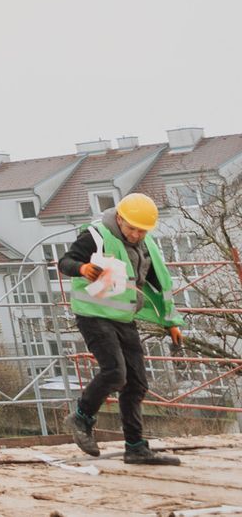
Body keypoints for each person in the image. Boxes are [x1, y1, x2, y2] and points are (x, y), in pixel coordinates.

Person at [60, 192, 186, 465]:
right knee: (116, 373)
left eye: (142, 230)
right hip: (93, 315)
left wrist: (171, 322)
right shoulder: (95, 235)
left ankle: (136, 446)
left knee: (137, 382)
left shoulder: (145, 244)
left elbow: (158, 284)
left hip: (122, 316)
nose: (136, 234)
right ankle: (81, 418)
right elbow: (64, 263)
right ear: (119, 218)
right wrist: (82, 268)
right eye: (131, 228)